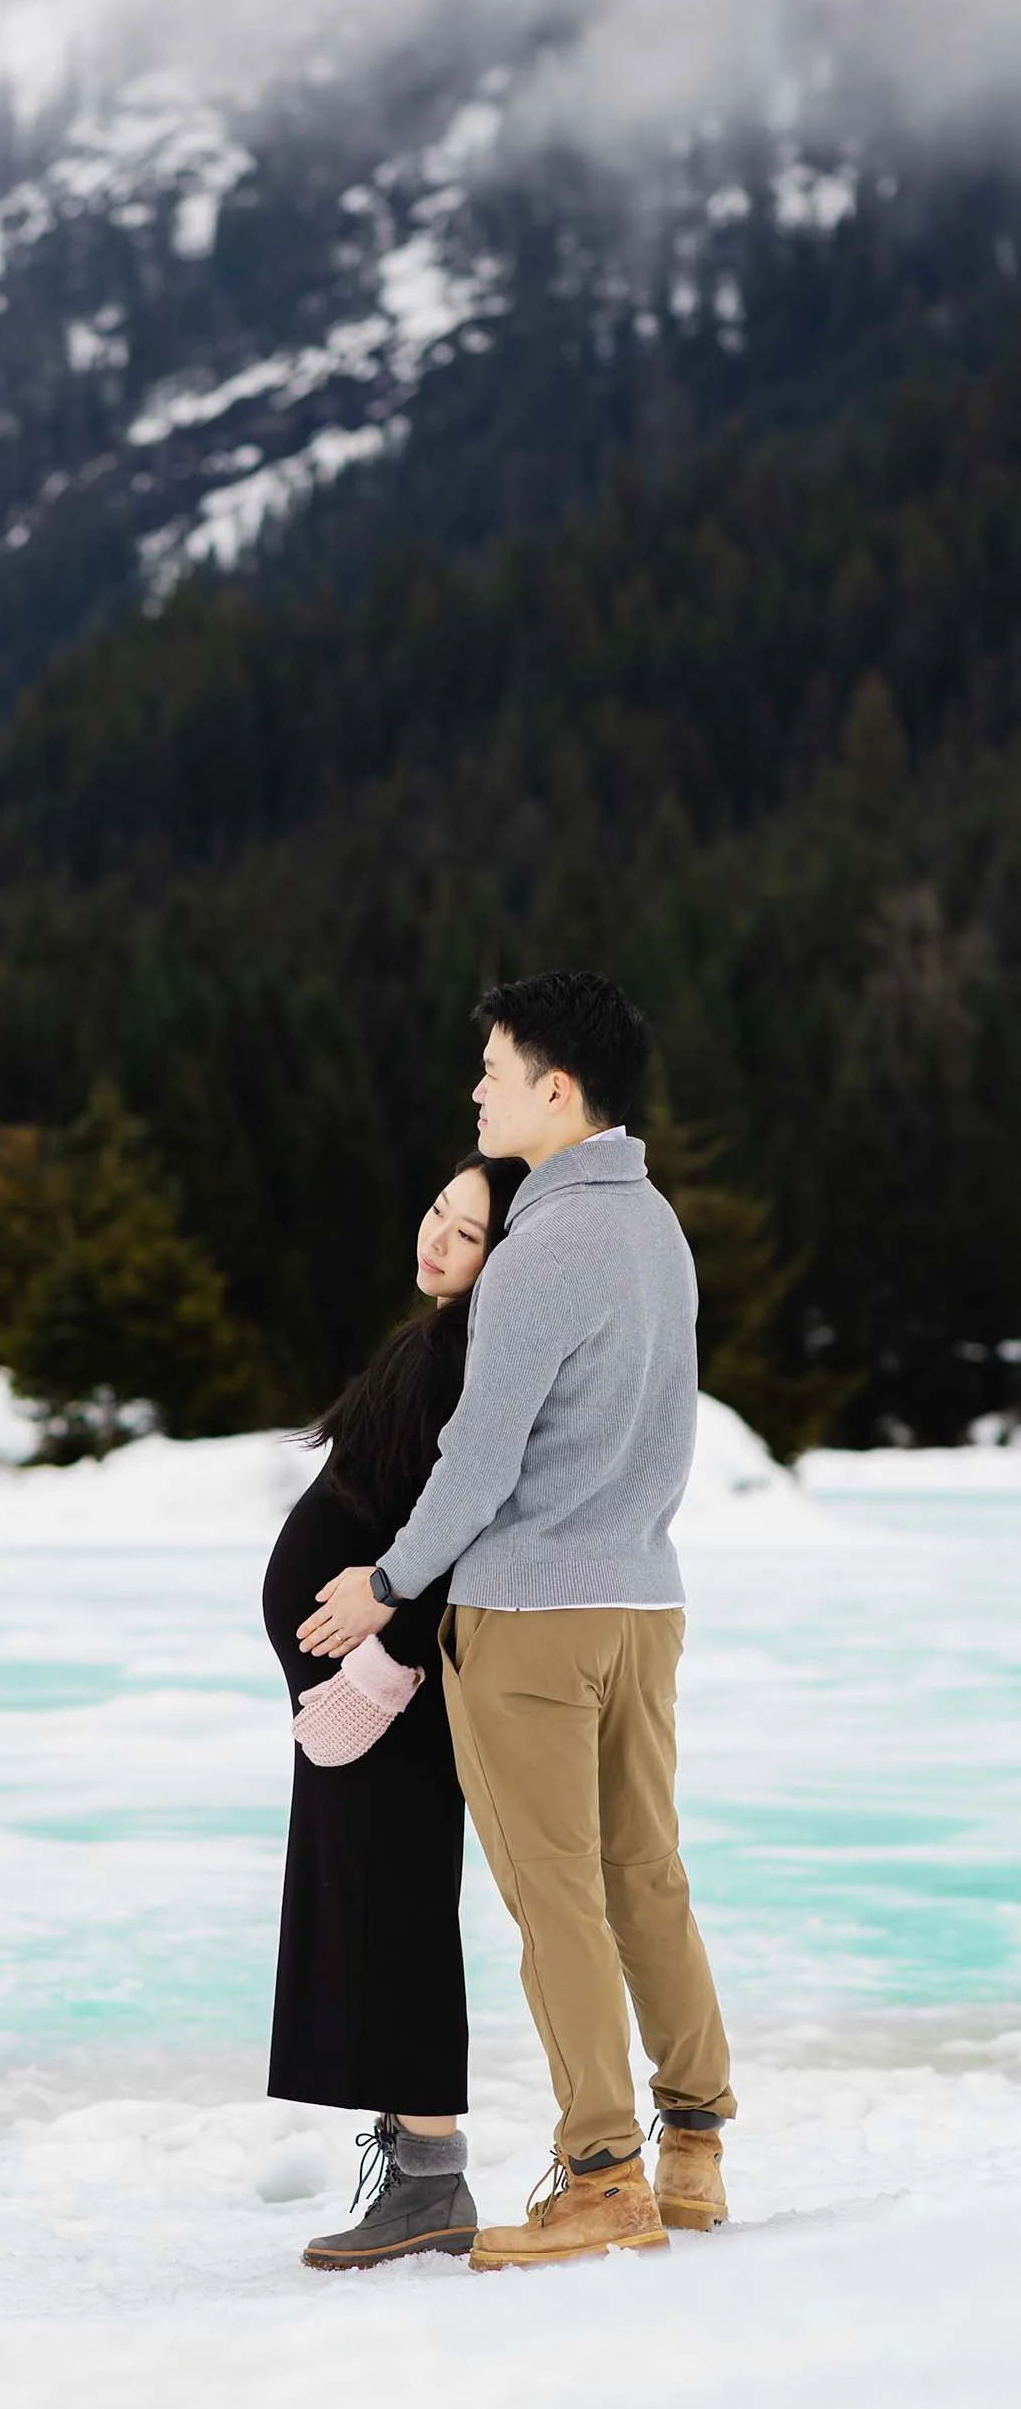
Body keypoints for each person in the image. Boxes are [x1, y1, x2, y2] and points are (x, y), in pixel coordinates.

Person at [299, 971, 735, 2271]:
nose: (472, 1091)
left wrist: (383, 1583)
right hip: (637, 1605)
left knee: (553, 1895)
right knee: (642, 1875)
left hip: (528, 1614)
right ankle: (693, 2147)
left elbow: (479, 1462)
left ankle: (601, 2175)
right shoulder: (654, 1225)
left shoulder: (543, 1249)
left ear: (556, 1090)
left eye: (489, 1071)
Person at [262, 1148, 526, 2269]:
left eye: (466, 1233)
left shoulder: (480, 1362)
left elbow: (470, 1531)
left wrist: (385, 1666)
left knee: (402, 1909)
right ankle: (413, 2160)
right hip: (359, 1686)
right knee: (364, 1908)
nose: (436, 1238)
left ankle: (432, 2179)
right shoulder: (436, 1342)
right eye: (436, 1212)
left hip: (391, 1691)